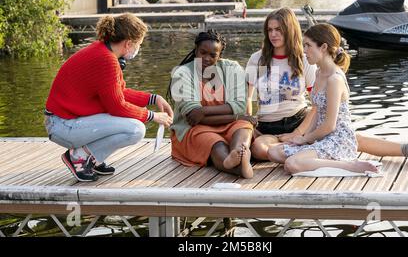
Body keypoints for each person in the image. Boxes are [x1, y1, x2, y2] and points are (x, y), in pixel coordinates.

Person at [246, 7, 408, 163]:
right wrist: (250, 126)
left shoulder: (305, 61)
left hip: (299, 121)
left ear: (289, 30)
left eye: (278, 29)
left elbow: (315, 106)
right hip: (269, 125)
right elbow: (247, 98)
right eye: (270, 30)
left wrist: (299, 133)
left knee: (351, 138)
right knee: (259, 149)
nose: (273, 34)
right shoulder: (258, 60)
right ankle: (314, 151)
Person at [44, 13, 174, 182]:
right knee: (135, 129)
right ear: (128, 44)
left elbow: (119, 92)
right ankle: (78, 157)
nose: (137, 50)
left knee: (130, 123)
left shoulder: (103, 52)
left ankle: (93, 160)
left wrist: (154, 99)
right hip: (62, 126)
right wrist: (153, 116)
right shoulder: (107, 61)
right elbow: (117, 106)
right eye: (138, 45)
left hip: (62, 122)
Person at [266, 23, 378, 174]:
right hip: (320, 138)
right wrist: (304, 138)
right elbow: (317, 113)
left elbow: (329, 125)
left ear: (323, 47)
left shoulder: (334, 79)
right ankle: (316, 159)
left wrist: (305, 139)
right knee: (273, 152)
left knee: (292, 164)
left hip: (338, 139)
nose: (304, 51)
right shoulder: (318, 73)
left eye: (308, 46)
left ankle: (351, 166)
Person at [168, 30, 257, 178]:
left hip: (225, 123)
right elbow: (194, 118)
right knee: (215, 143)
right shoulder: (183, 73)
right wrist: (236, 117)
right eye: (203, 52)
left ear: (220, 55)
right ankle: (236, 165)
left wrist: (203, 111)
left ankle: (239, 153)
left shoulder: (231, 68)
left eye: (212, 55)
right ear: (196, 50)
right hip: (194, 129)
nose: (206, 58)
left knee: (243, 127)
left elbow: (240, 105)